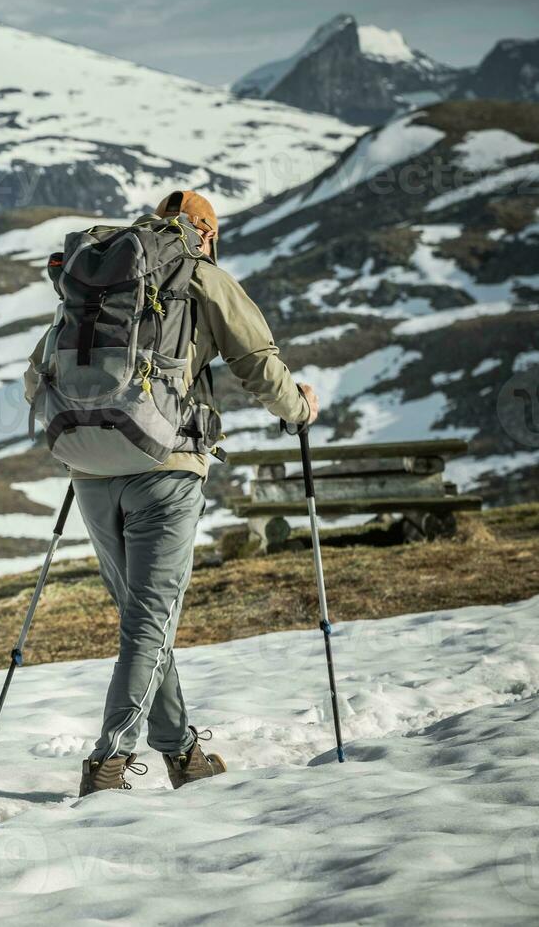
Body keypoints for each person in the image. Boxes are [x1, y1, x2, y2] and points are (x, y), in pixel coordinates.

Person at [26, 190, 320, 797]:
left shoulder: (97, 279)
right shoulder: (201, 274)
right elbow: (257, 360)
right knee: (150, 622)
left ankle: (184, 754)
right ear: (205, 233)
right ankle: (108, 763)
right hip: (166, 464)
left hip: (88, 469)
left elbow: (37, 374)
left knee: (142, 620)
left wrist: (93, 418)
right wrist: (298, 409)